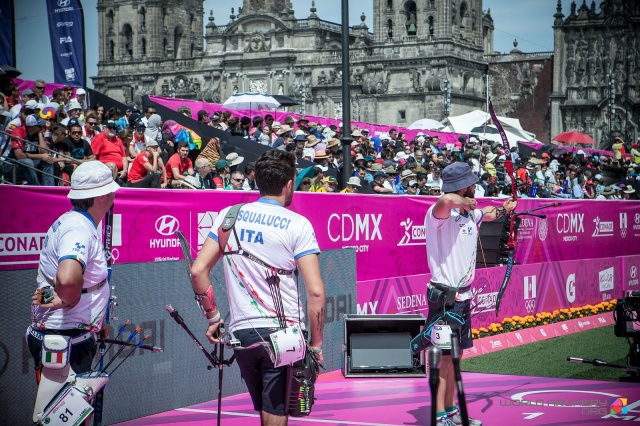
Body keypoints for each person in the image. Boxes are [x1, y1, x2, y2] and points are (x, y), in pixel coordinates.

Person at [190, 149, 326, 425]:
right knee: (276, 412)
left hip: (242, 335)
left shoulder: (229, 215)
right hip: (283, 333)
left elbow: (198, 270)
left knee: (268, 409)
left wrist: (213, 317)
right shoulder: (298, 224)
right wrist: (317, 344)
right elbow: (316, 292)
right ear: (289, 185)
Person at [424, 162, 516, 426]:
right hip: (444, 299)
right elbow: (445, 200)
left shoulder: (468, 215)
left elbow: (488, 213)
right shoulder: (438, 216)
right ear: (464, 187)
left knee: (456, 357)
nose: (476, 187)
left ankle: (451, 411)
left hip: (463, 298)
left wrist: (506, 208)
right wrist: (462, 199)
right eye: (472, 184)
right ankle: (439, 416)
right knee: (443, 359)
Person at [27, 161, 119, 421]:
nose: (115, 194)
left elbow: (49, 288)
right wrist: (69, 298)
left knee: (65, 416)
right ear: (101, 196)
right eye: (111, 190)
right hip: (65, 337)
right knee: (63, 418)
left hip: (68, 332)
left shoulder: (76, 221)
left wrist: (94, 318)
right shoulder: (78, 228)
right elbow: (67, 279)